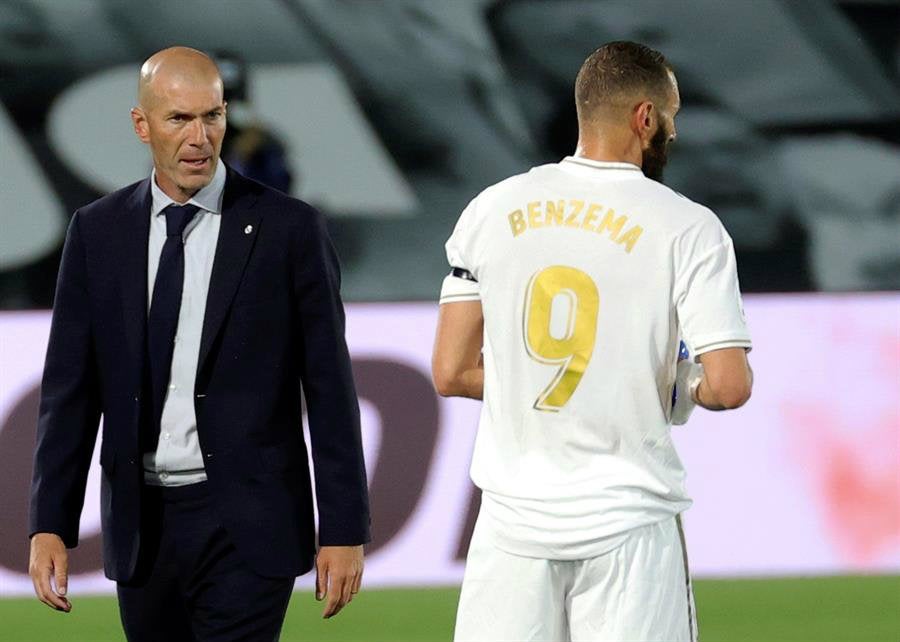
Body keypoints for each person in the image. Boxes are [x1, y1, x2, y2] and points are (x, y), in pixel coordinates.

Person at [28, 46, 370, 641]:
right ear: (142, 125)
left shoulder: (288, 228)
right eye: (178, 119)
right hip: (143, 526)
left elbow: (330, 386)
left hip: (249, 524)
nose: (200, 137)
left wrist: (343, 528)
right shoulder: (98, 231)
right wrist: (50, 522)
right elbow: (70, 392)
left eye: (212, 116)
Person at [432, 41, 753, 642]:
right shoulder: (689, 226)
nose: (673, 133)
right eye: (672, 117)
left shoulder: (489, 210)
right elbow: (730, 387)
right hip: (629, 526)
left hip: (511, 529)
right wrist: (673, 385)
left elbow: (450, 372)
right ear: (645, 118)